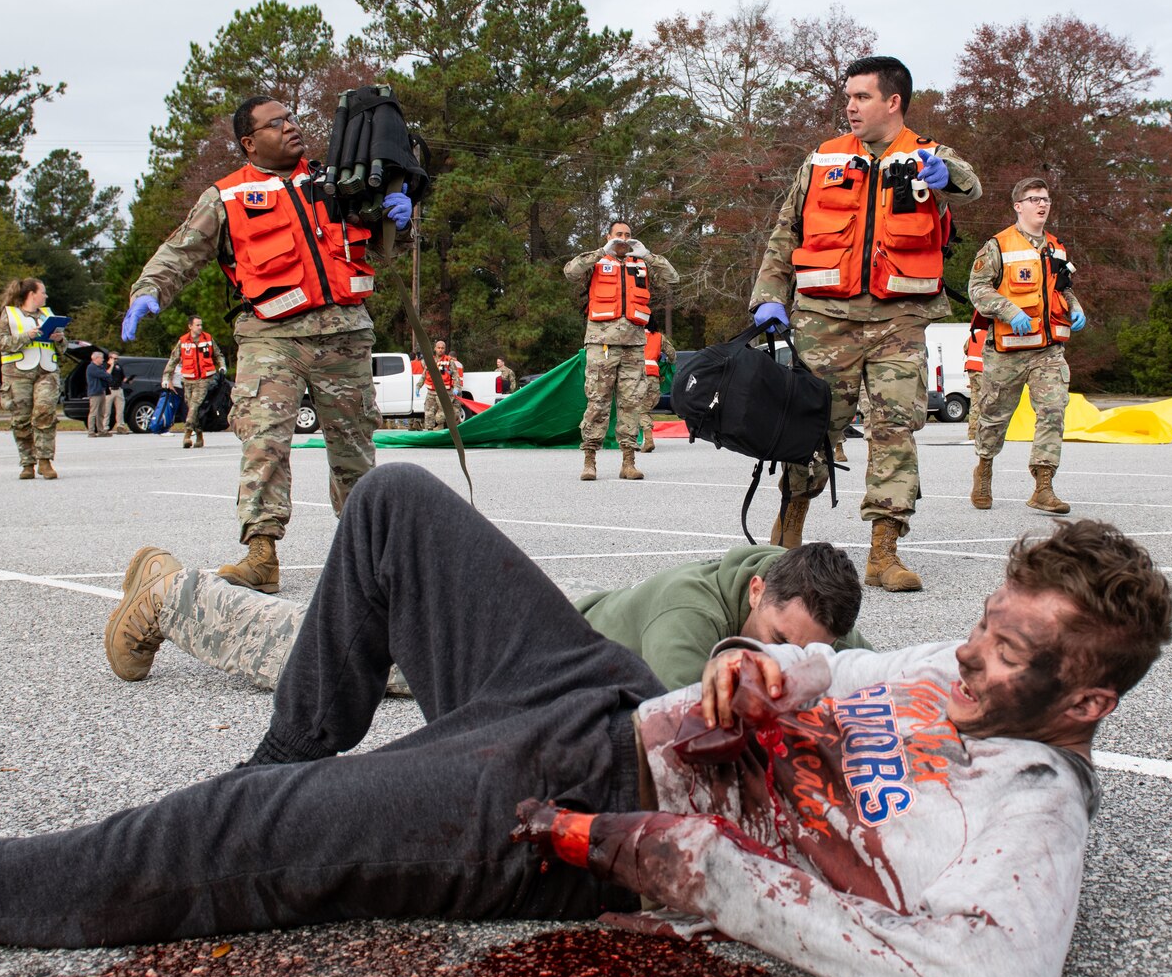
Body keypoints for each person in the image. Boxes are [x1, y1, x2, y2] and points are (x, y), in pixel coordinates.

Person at [0, 464, 1172, 977]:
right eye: (980, 631)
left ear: (1082, 704)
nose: (965, 663)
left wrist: (694, 866)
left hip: (587, 811)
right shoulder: (952, 672)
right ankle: (273, 788)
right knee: (400, 504)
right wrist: (773, 664)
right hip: (608, 701)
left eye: (1007, 660)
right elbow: (857, 664)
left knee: (195, 855)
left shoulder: (1030, 807)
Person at [120, 95, 409, 591]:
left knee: (355, 448)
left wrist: (399, 219)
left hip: (344, 335)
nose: (291, 127)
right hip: (271, 338)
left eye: (292, 118)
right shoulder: (227, 196)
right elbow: (180, 251)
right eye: (276, 124)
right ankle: (261, 554)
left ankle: (370, 558)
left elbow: (380, 239)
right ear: (250, 142)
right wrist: (148, 292)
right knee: (265, 442)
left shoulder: (335, 181)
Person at [749, 55, 983, 593]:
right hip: (823, 320)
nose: (849, 107)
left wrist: (947, 179)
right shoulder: (822, 160)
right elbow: (786, 234)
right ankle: (787, 538)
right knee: (810, 429)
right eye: (848, 97)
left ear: (892, 101)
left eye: (861, 97)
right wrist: (768, 297)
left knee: (894, 430)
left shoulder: (928, 157)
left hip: (899, 320)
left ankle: (884, 553)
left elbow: (970, 185)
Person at [104, 536, 868, 690]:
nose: (783, 663)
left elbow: (866, 669)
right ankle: (176, 601)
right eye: (774, 643)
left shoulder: (804, 600)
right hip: (509, 648)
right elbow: (681, 716)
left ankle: (169, 576)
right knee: (336, 656)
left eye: (803, 653)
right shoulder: (690, 610)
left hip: (541, 638)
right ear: (760, 592)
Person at [967, 179, 1086, 514]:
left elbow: (1062, 288)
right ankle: (984, 467)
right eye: (1034, 199)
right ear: (1018, 206)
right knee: (993, 418)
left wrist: (1075, 307)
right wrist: (1009, 310)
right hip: (1007, 349)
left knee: (1053, 409)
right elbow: (977, 288)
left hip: (1048, 350)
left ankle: (1043, 486)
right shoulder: (998, 245)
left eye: (1046, 199)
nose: (1042, 205)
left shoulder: (1057, 248)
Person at [565, 220, 680, 482]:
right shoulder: (597, 261)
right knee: (598, 401)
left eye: (628, 235)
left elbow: (673, 278)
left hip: (634, 344)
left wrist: (648, 255)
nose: (623, 239)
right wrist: (600, 251)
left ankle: (628, 461)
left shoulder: (640, 264)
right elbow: (570, 272)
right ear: (609, 236)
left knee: (631, 404)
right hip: (601, 344)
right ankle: (590, 461)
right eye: (619, 234)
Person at [0, 277, 63, 479]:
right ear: (32, 294)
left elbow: (63, 347)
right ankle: (27, 463)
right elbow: (0, 342)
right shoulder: (10, 315)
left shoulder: (48, 315)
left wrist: (59, 339)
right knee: (21, 419)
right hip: (17, 374)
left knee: (45, 413)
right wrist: (27, 336)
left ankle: (45, 461)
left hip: (46, 371)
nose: (46, 296)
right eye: (43, 292)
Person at [175, 316, 224, 449]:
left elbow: (218, 354)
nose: (200, 327)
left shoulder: (207, 339)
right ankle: (199, 436)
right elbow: (173, 360)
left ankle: (186, 435)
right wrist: (166, 377)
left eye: (201, 325)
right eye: (197, 325)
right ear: (190, 326)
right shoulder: (183, 341)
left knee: (194, 407)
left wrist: (222, 365)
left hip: (203, 379)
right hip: (188, 380)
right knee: (192, 408)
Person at [638, 321, 674, 453]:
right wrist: (666, 365)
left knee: (639, 410)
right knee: (645, 409)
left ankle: (647, 440)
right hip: (653, 376)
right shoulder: (659, 337)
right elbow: (672, 354)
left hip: (636, 375)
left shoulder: (634, 334)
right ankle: (644, 439)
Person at [419, 339, 465, 431]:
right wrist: (418, 386)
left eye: (442, 348)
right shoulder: (430, 361)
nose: (440, 350)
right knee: (428, 412)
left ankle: (441, 426)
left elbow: (455, 375)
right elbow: (424, 375)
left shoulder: (449, 361)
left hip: (444, 391)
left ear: (445, 349)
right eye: (439, 348)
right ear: (435, 348)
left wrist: (456, 387)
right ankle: (429, 430)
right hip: (431, 391)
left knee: (441, 414)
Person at [963, 322, 987, 442]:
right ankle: (985, 434)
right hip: (983, 372)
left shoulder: (974, 335)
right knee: (986, 403)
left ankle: (972, 433)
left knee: (975, 404)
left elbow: (965, 349)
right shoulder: (990, 336)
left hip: (972, 371)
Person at [85, 350, 114, 436]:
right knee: (93, 412)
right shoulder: (92, 367)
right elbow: (105, 375)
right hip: (95, 392)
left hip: (101, 391)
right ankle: (91, 431)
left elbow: (108, 377)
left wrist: (107, 373)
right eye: (101, 358)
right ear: (96, 358)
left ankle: (101, 431)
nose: (102, 360)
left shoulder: (100, 367)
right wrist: (109, 370)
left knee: (101, 412)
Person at [107, 352, 132, 433]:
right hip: (110, 389)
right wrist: (111, 365)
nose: (116, 360)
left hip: (118, 389)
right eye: (114, 358)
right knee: (106, 410)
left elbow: (123, 377)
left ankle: (120, 426)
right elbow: (107, 374)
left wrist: (128, 380)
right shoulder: (106, 365)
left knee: (120, 410)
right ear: (110, 358)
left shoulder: (119, 367)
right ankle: (104, 427)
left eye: (117, 359)